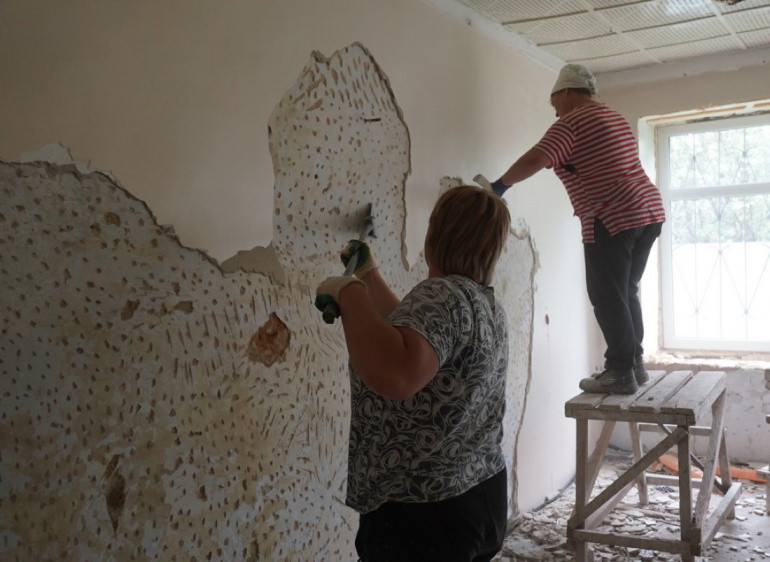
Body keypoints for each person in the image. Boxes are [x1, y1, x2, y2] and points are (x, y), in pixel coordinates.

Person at [315, 185, 511, 561]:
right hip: (478, 491)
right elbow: (414, 341)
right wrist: (368, 276)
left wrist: (348, 292)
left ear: (436, 234)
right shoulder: (482, 301)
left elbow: (397, 374)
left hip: (423, 510)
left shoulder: (442, 294)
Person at [489, 64, 665, 396]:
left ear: (566, 92)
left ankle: (620, 371)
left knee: (606, 294)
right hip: (648, 211)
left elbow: (536, 159)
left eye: (554, 100)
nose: (554, 109)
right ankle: (634, 365)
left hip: (613, 214)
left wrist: (498, 186)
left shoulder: (572, 122)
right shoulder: (612, 116)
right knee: (625, 290)